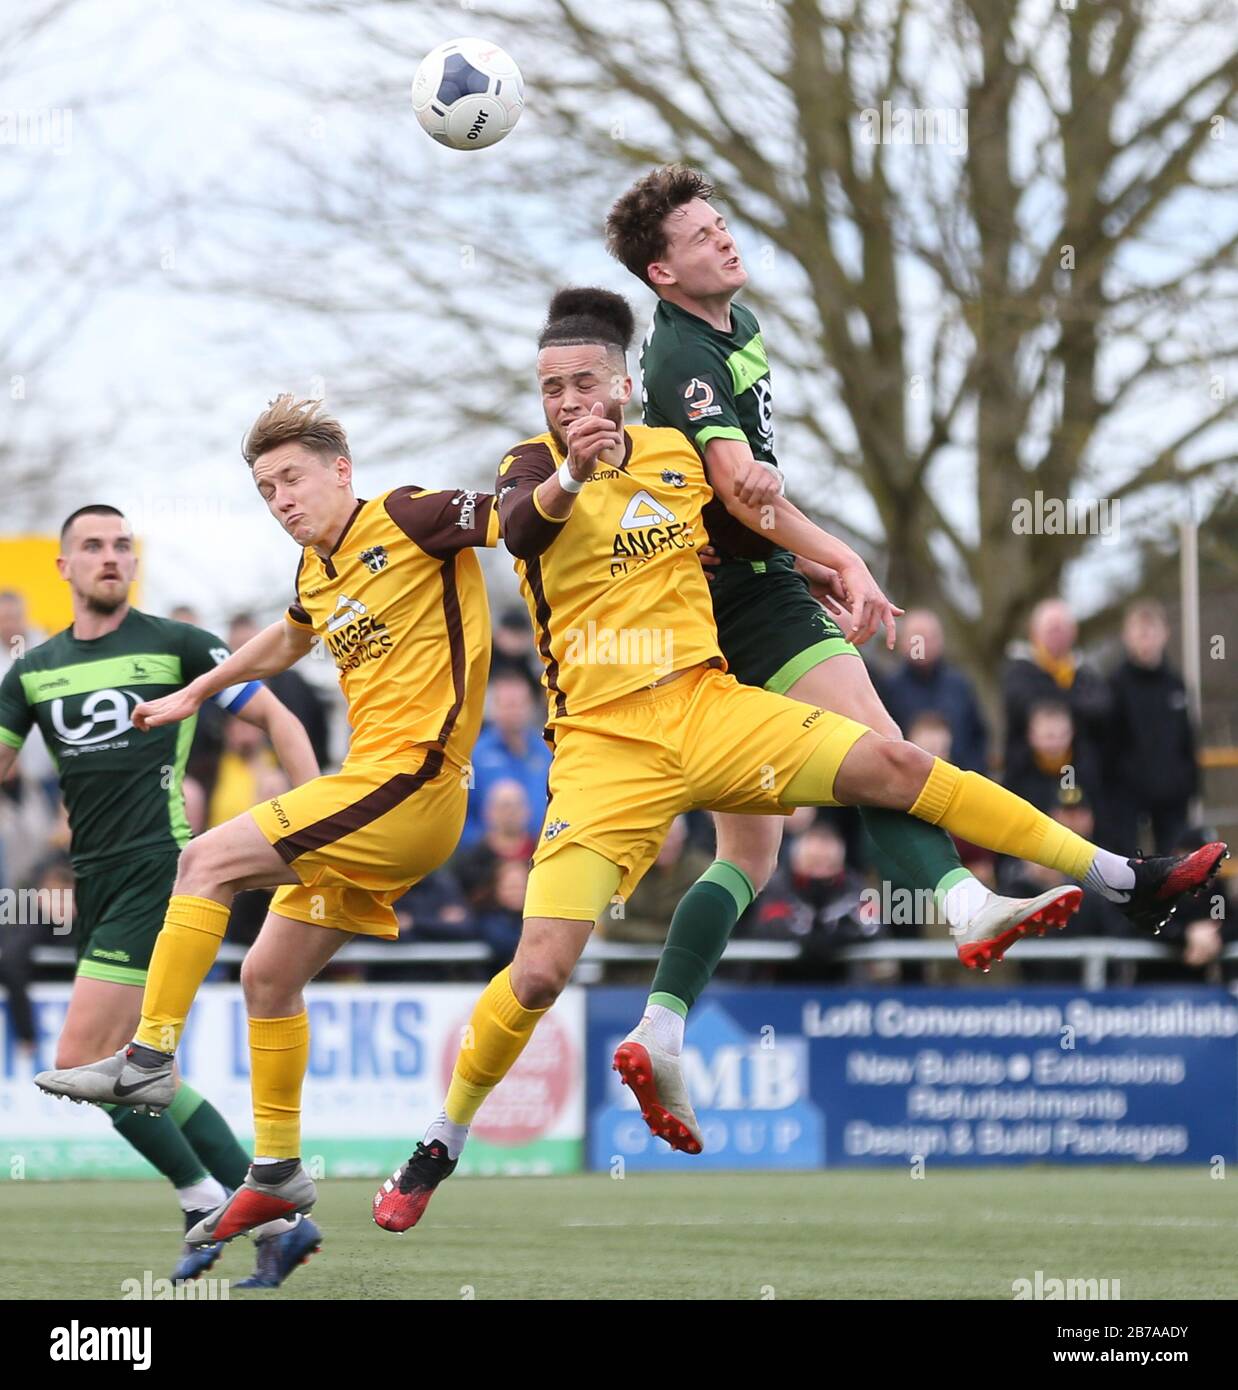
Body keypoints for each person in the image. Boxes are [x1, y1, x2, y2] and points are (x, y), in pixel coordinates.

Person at [370, 288, 1225, 1230]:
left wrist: (827, 566)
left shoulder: (673, 455)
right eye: (549, 387)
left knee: (892, 766)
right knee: (538, 974)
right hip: (602, 753)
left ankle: (1122, 877)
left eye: (583, 383)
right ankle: (438, 1144)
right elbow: (521, 527)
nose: (566, 401)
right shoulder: (532, 467)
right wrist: (571, 472)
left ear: (623, 384)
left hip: (708, 707)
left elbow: (749, 531)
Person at [600, 164, 1067, 1072]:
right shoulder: (679, 355)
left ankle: (659, 1028)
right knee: (883, 751)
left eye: (723, 223)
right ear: (661, 274)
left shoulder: (738, 325)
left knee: (750, 850)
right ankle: (965, 908)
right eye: (700, 236)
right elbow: (739, 486)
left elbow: (739, 493)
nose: (725, 239)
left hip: (728, 596)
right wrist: (837, 556)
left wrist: (799, 552)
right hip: (745, 601)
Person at [32, 396, 499, 1262]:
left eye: (292, 479)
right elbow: (285, 643)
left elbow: (527, 516)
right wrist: (192, 695)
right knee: (267, 977)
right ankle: (278, 1169)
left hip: (415, 784)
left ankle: (147, 1059)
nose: (281, 499)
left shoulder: (406, 516)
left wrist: (561, 464)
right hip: (377, 797)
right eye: (264, 489)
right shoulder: (318, 574)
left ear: (342, 472)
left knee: (204, 859)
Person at [1, 504, 318, 1285]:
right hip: (94, 884)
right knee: (130, 1071)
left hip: (164, 870)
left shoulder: (177, 646)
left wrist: (317, 824)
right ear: (64, 568)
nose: (109, 557)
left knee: (81, 1058)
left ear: (132, 564)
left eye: (121, 546)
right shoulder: (33, 669)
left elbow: (275, 714)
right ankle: (278, 1214)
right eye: (92, 547)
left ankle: (203, 1199)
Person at [1107, 600, 1198, 854]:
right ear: (1127, 636)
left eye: (1151, 630)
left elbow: (1186, 738)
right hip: (1127, 798)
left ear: (1165, 633)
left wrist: (1191, 785)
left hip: (1172, 796)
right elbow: (1108, 744)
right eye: (1139, 630)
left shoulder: (1175, 683)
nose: (1146, 638)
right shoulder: (1115, 684)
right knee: (1126, 864)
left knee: (1175, 866)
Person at [882, 610, 989, 773]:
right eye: (916, 638)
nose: (922, 645)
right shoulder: (889, 689)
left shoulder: (959, 685)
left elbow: (978, 736)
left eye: (929, 637)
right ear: (902, 642)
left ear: (940, 641)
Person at [458, 671, 552, 848]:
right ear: (493, 708)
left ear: (531, 706)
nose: (514, 711)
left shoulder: (546, 752)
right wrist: (483, 845)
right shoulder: (470, 757)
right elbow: (460, 812)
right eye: (508, 705)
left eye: (520, 704)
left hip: (541, 849)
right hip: (487, 857)